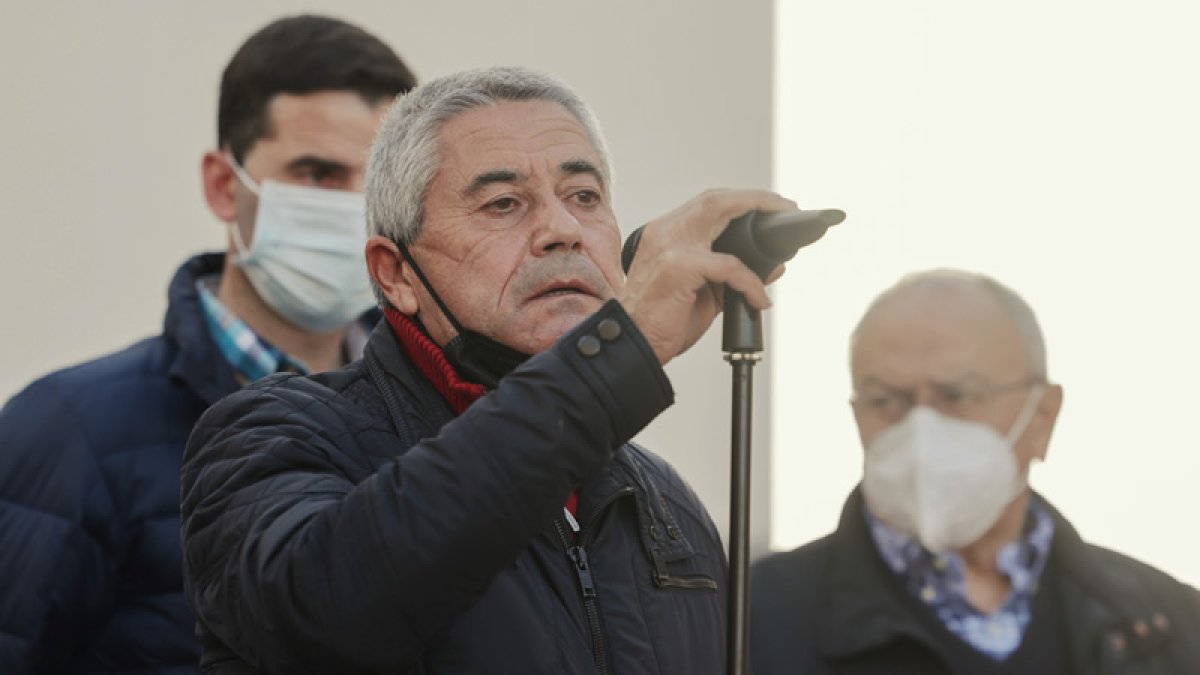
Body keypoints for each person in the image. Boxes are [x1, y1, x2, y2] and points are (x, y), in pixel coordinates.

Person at [179, 66, 795, 674]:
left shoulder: (666, 502)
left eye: (584, 195)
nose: (562, 229)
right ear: (396, 274)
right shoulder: (273, 434)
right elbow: (328, 613)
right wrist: (620, 357)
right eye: (503, 203)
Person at [0, 16, 416, 673]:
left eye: (377, 185)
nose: (352, 209)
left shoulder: (433, 425)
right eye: (317, 174)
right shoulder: (69, 432)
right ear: (226, 186)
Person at [750, 269, 1200, 674]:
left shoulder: (1167, 627)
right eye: (886, 400)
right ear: (856, 414)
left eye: (958, 395)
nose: (921, 429)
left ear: (1042, 416)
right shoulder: (749, 620)